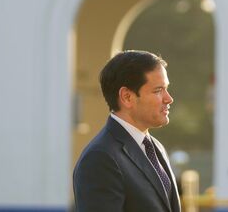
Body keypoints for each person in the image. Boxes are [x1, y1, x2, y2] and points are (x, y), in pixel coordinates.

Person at [73, 50, 180, 212]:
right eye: (158, 90)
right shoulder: (100, 158)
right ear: (127, 97)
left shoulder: (155, 147)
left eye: (166, 89)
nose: (168, 99)